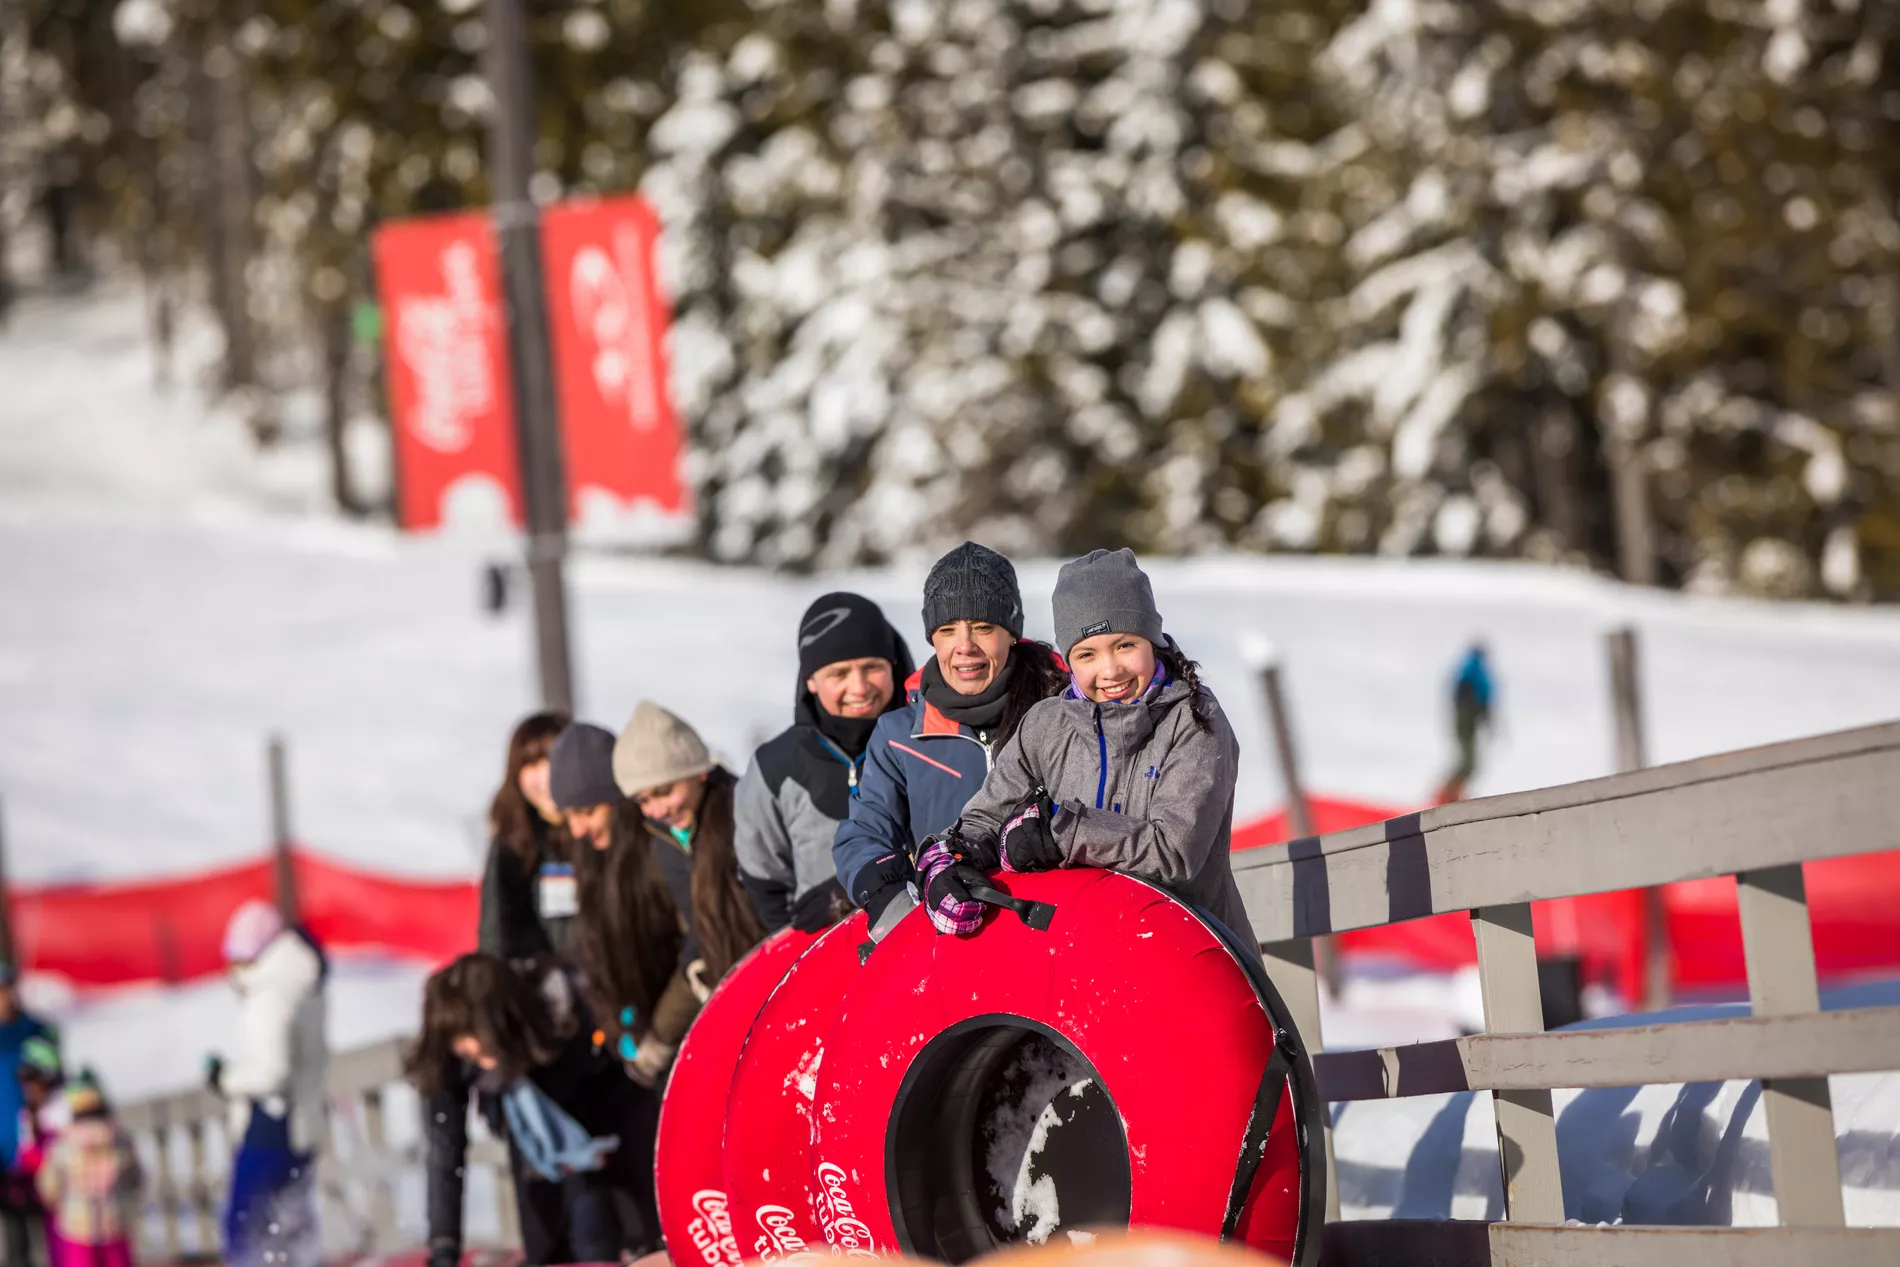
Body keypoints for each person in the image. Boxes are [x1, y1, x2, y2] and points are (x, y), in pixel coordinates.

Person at [921, 548, 1258, 960]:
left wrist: (1060, 833)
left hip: (1189, 957)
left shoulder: (1194, 720)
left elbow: (1173, 854)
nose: (1110, 670)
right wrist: (954, 859)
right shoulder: (1048, 723)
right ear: (1068, 660)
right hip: (1081, 959)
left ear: (1153, 641)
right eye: (1087, 654)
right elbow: (984, 817)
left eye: (1125, 645)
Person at [831, 542, 1067, 941]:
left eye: (983, 627)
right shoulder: (899, 737)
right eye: (947, 630)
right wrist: (897, 906)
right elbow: (865, 834)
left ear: (1011, 634)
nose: (965, 646)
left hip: (1058, 932)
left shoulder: (1064, 713)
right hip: (955, 942)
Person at [410, 954, 657, 1266]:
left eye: (478, 1038)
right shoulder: (451, 1057)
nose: (471, 1049)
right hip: (538, 1174)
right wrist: (444, 1248)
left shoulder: (573, 1021)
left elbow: (631, 1110)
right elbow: (445, 1150)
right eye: (462, 1044)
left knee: (601, 1229)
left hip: (610, 1151)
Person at [735, 592, 914, 934]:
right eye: (839, 673)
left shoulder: (931, 742)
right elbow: (765, 885)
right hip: (827, 965)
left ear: (893, 664)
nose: (859, 687)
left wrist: (853, 889)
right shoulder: (772, 768)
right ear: (811, 680)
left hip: (930, 943)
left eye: (872, 667)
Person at [548, 722, 692, 1088]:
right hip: (644, 1048)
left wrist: (660, 1034)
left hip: (689, 1035)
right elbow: (594, 955)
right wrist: (621, 1029)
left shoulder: (661, 851)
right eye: (569, 816)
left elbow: (698, 945)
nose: (578, 828)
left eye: (588, 811)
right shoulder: (590, 859)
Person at [613, 704, 764, 1025]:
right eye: (643, 800)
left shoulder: (748, 811)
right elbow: (695, 929)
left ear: (699, 771)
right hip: (727, 992)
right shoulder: (662, 840)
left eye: (664, 791)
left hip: (776, 975)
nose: (657, 809)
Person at [209, 901, 327, 1267]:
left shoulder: (270, 995)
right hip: (300, 1122)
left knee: (247, 1226)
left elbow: (273, 1072)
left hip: (271, 1121)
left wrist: (225, 1080)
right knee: (292, 1226)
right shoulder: (301, 982)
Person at [480, 711, 578, 961]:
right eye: (532, 764)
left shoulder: (603, 829)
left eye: (553, 760)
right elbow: (495, 931)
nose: (546, 776)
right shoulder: (512, 839)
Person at [33, 1081, 138, 1267]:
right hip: (114, 1222)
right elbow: (136, 1177)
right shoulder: (120, 1141)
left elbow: (49, 1183)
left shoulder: (64, 1144)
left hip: (76, 1223)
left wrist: (55, 1201)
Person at [0, 963, 55, 1267]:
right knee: (15, 1235)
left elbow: (53, 1077)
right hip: (4, 1155)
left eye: (5, 990)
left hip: (37, 1147)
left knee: (50, 1233)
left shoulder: (33, 1031)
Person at [1437, 643, 1495, 803]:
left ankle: (1451, 793)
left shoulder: (1475, 671)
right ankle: (1447, 795)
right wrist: (1477, 711)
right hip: (1466, 719)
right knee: (1468, 761)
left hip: (1470, 720)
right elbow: (1468, 693)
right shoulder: (1472, 669)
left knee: (1470, 762)